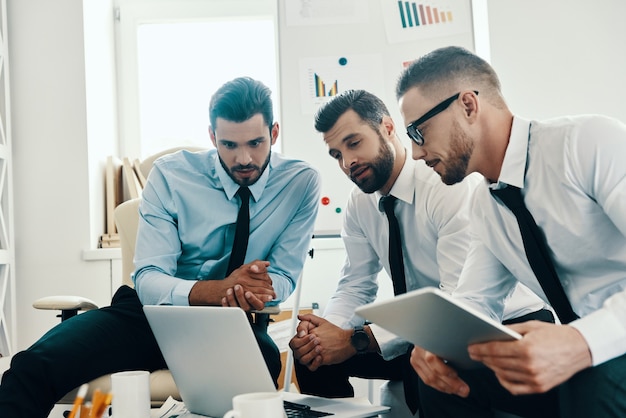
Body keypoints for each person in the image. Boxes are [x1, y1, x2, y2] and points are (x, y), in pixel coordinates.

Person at [0, 76, 321, 418]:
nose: (244, 158)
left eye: (255, 143)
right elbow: (150, 280)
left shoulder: (300, 184)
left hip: (232, 323)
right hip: (145, 316)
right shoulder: (170, 176)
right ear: (212, 137)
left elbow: (285, 275)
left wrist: (256, 289)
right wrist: (218, 290)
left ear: (273, 133)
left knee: (262, 367)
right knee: (29, 369)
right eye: (229, 145)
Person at [396, 45, 626, 418]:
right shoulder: (486, 205)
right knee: (442, 378)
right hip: (577, 351)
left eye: (417, 131)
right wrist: (435, 344)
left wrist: (583, 341)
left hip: (614, 342)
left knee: (589, 376)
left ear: (468, 105)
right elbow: (475, 300)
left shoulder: (587, 143)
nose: (416, 153)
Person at [288, 89, 549, 415]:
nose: (347, 162)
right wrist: (326, 333)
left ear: (387, 128)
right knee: (312, 360)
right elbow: (355, 283)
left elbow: (457, 302)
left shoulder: (444, 186)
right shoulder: (360, 204)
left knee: (430, 369)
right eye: (336, 155)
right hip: (418, 333)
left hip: (493, 323)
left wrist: (355, 340)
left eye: (354, 144)